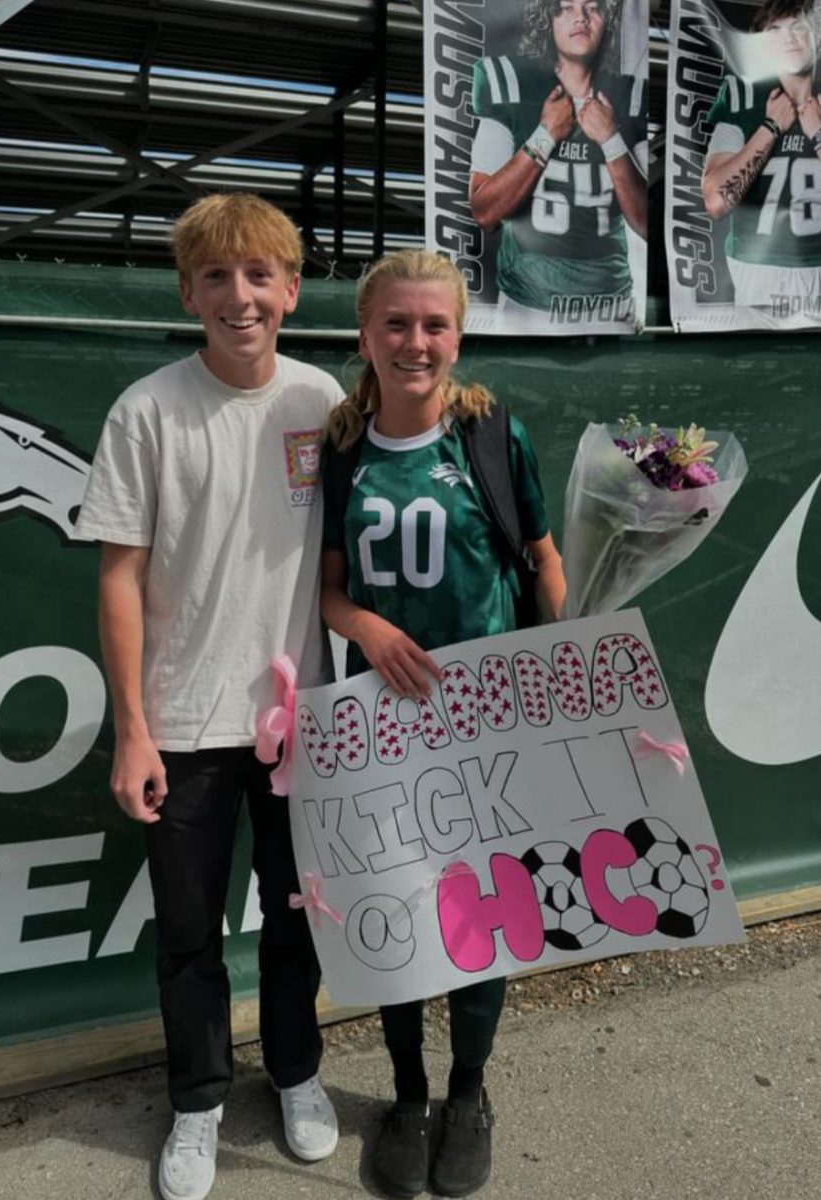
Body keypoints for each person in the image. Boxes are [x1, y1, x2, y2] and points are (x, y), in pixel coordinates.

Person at [75, 192, 344, 1200]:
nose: (242, 296)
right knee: (188, 933)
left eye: (261, 274)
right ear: (190, 292)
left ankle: (298, 1073)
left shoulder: (324, 400)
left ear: (291, 287)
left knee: (295, 918)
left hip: (298, 725)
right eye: (219, 277)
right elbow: (118, 580)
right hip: (183, 729)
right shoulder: (146, 411)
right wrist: (133, 734)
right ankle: (198, 1101)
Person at [319, 249, 566, 1198]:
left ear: (456, 337)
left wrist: (550, 672)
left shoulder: (491, 435)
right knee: (393, 914)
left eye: (434, 325)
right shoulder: (341, 449)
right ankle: (408, 1095)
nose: (414, 342)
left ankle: (468, 1094)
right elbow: (331, 591)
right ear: (364, 337)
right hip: (381, 730)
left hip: (484, 729)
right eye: (395, 324)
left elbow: (542, 561)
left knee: (476, 916)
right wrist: (369, 629)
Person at [468, 0, 647, 321]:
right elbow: (484, 211)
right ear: (546, 21)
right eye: (566, 8)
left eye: (592, 8)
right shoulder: (510, 83)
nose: (580, 17)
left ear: (606, 22)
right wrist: (545, 134)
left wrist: (611, 141)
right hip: (527, 309)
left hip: (611, 307)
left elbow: (647, 224)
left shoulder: (628, 96)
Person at [702, 0, 821, 309]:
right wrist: (770, 127)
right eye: (776, 31)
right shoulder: (741, 94)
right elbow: (716, 200)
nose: (790, 39)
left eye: (799, 29)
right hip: (756, 267)